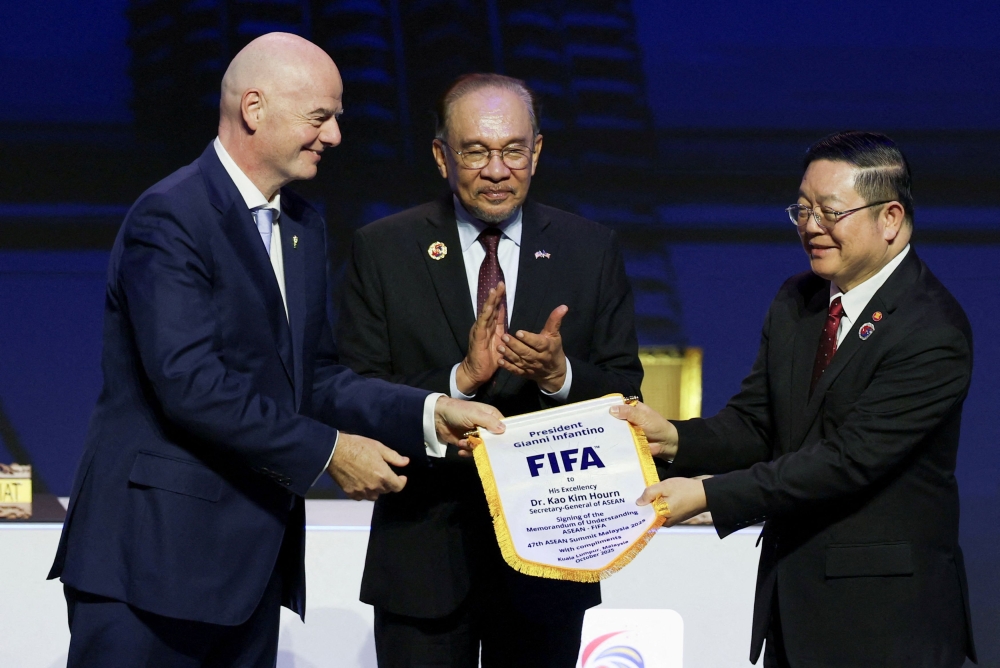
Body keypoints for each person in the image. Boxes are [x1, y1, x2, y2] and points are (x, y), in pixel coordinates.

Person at [47, 33, 503, 667]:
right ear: (254, 108)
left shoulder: (302, 226)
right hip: (149, 566)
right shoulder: (171, 217)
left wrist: (430, 410)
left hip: (251, 572)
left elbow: (315, 377)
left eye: (337, 117)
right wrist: (331, 451)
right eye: (320, 116)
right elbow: (191, 384)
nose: (335, 135)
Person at [615, 131, 976, 667]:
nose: (810, 226)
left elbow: (847, 460)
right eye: (802, 210)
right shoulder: (797, 300)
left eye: (830, 212)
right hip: (794, 606)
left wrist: (708, 495)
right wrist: (674, 439)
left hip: (886, 621)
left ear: (890, 218)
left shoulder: (931, 329)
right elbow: (757, 424)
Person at [336, 73, 643, 667]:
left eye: (513, 151)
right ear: (441, 156)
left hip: (548, 564)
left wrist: (559, 377)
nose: (497, 170)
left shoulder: (590, 248)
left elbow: (625, 390)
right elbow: (353, 391)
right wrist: (458, 381)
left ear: (537, 151)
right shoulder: (384, 248)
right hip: (423, 560)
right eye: (476, 151)